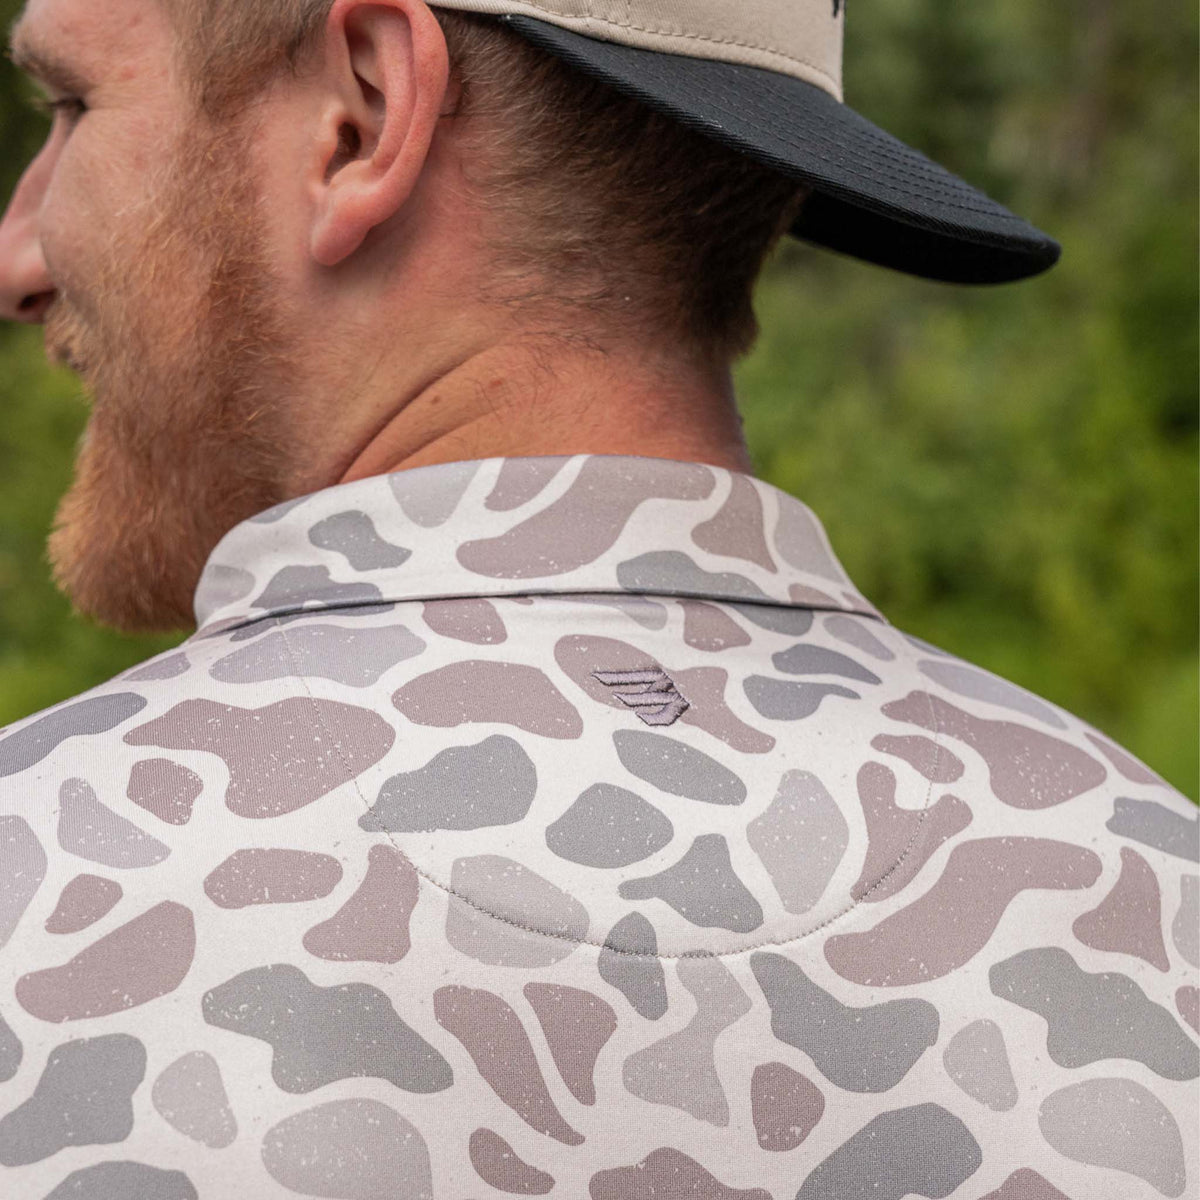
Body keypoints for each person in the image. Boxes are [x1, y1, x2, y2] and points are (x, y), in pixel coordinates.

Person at [0, 0, 1195, 1195]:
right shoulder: (1158, 896)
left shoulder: (31, 885)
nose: (18, 256)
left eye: (73, 107)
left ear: (360, 117)